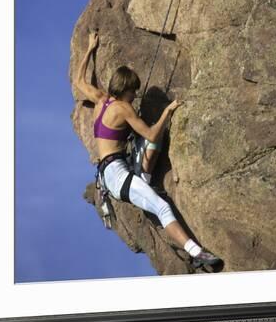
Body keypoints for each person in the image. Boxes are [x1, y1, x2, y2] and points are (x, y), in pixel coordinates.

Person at [73, 31, 220, 268]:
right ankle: (195, 252)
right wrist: (168, 111)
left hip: (114, 169)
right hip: (116, 176)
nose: (134, 96)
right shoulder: (123, 108)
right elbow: (151, 133)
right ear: (126, 89)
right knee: (161, 206)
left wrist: (90, 48)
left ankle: (144, 177)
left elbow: (79, 81)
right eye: (133, 92)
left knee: (150, 144)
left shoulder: (101, 100)